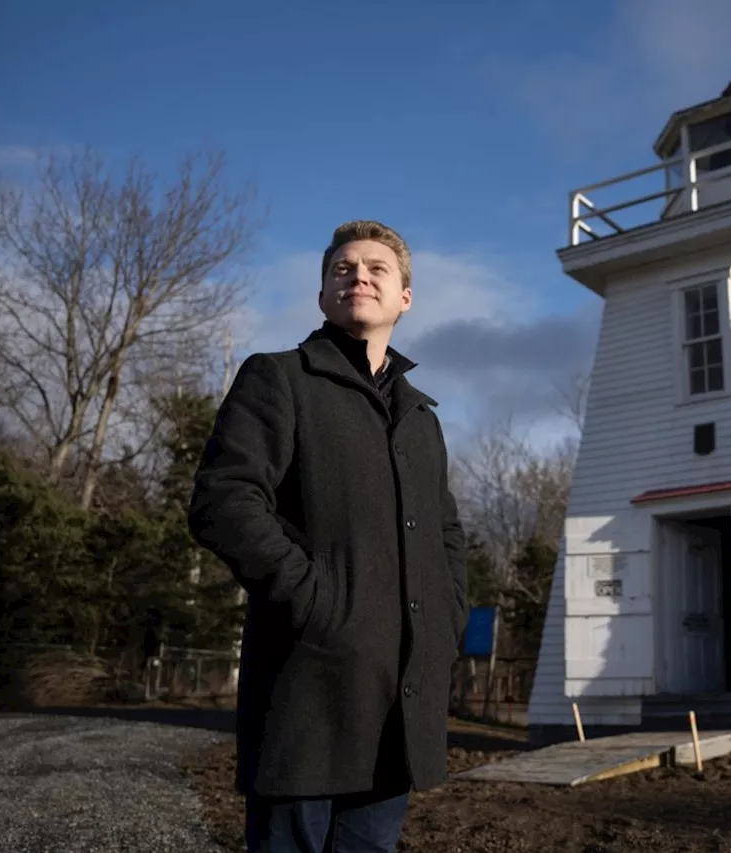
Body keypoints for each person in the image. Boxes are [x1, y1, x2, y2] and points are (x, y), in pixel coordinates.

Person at [188, 220, 468, 853]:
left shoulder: (420, 417)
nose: (358, 276)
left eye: (377, 268)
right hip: (307, 690)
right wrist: (315, 603)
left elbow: (445, 531)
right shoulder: (279, 378)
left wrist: (446, 622)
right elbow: (223, 500)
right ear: (321, 294)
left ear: (405, 297)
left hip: (396, 705)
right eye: (342, 268)